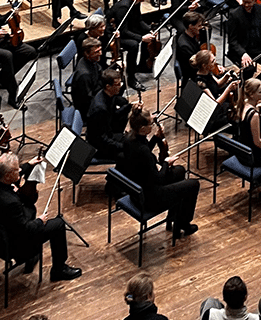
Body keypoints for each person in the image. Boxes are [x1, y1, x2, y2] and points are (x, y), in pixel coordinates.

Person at [0, 153, 82, 282]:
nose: (19, 170)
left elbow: (11, 173)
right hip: (15, 245)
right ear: (7, 176)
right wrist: (40, 221)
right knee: (58, 224)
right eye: (16, 170)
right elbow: (25, 229)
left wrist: (29, 165)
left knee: (29, 208)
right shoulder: (10, 202)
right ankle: (59, 270)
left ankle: (33, 259)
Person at [115, 108, 200, 239]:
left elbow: (143, 154)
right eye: (151, 124)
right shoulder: (143, 151)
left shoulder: (128, 139)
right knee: (193, 184)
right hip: (150, 199)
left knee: (180, 171)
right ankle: (183, 223)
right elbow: (159, 178)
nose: (153, 125)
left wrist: (155, 138)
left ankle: (174, 218)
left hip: (137, 190)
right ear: (143, 128)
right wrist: (166, 163)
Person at [106, 0, 157, 91]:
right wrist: (141, 38)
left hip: (127, 28)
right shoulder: (124, 7)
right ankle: (131, 77)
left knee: (148, 35)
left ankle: (143, 65)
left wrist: (149, 30)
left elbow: (138, 20)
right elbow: (123, 31)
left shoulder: (137, 2)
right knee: (133, 44)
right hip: (114, 34)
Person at [86, 68, 131, 160]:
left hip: (108, 134)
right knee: (130, 154)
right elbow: (101, 140)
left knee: (134, 142)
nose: (121, 86)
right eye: (117, 84)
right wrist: (122, 146)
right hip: (99, 148)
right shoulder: (100, 109)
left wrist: (130, 106)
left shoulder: (109, 95)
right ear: (108, 86)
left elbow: (113, 115)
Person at [71, 37, 104, 118]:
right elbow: (87, 101)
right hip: (87, 111)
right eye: (97, 52)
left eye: (100, 50)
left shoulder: (90, 60)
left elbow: (99, 75)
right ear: (87, 53)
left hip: (94, 93)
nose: (100, 53)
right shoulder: (84, 75)